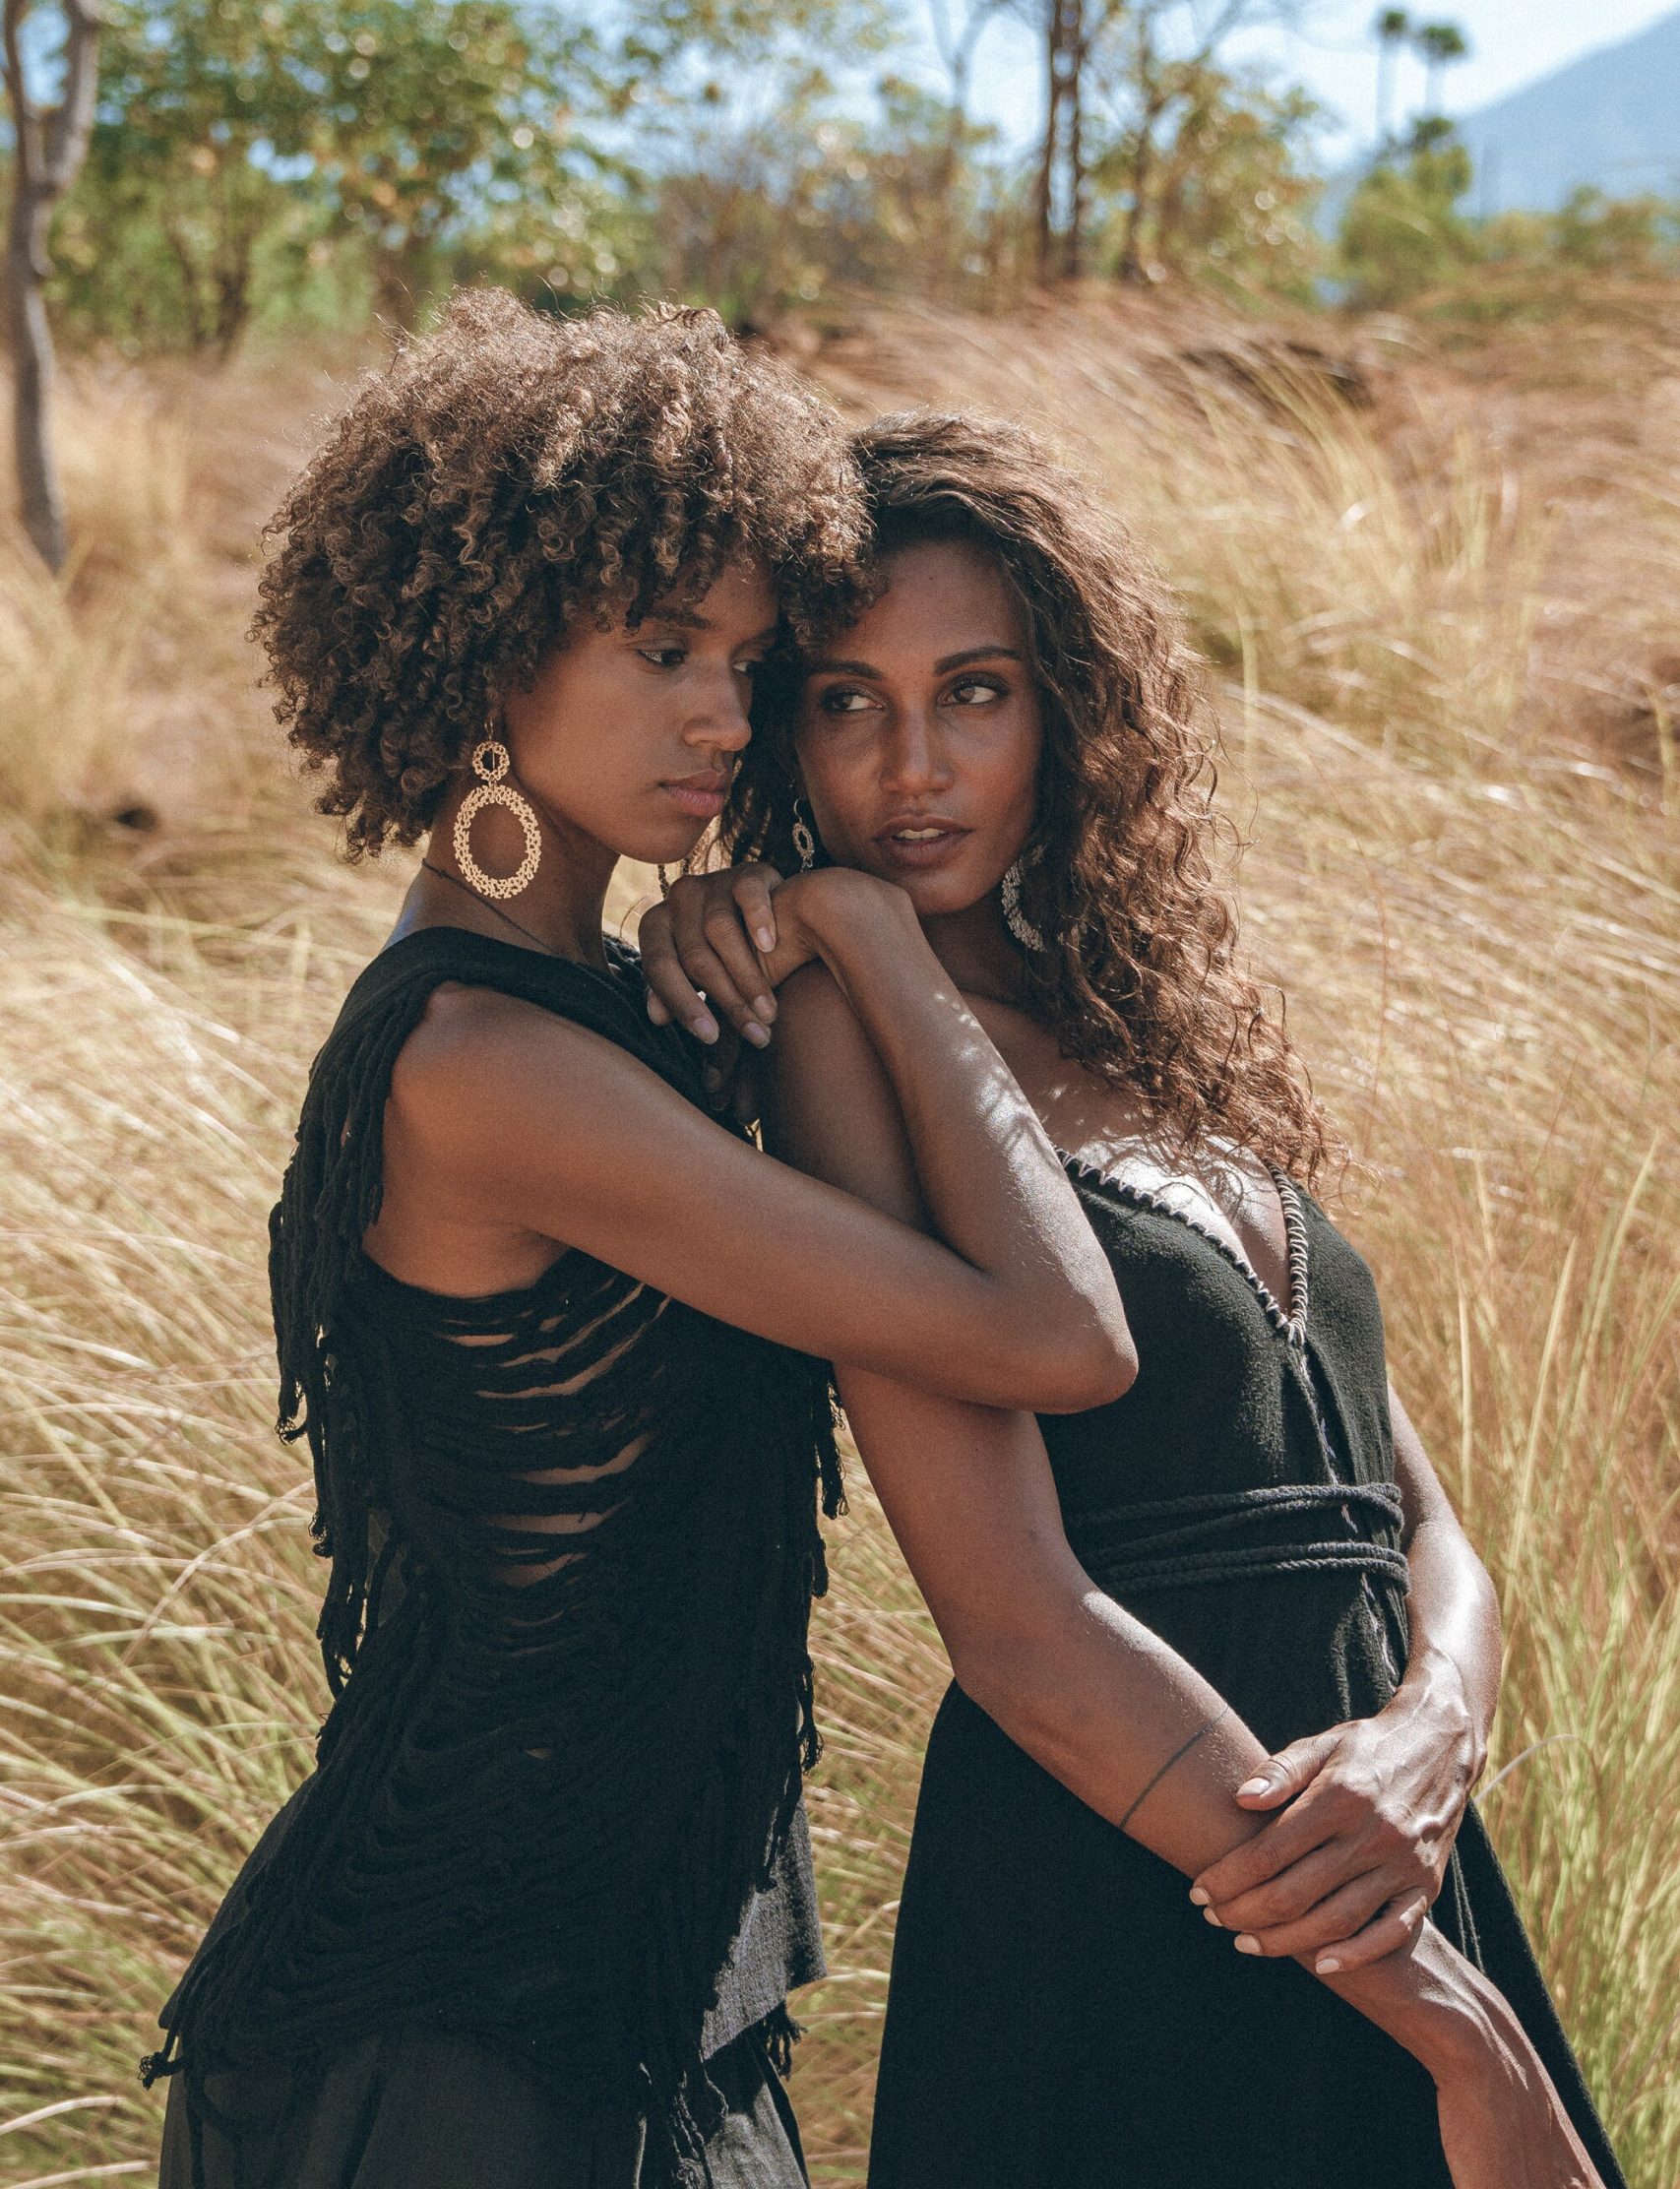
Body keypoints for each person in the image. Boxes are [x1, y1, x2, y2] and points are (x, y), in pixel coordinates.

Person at [143, 304, 1136, 2189]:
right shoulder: (487, 1066)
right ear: (481, 650)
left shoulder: (603, 1009)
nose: (726, 718)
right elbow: (1054, 1338)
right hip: (455, 2039)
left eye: (753, 664)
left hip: (639, 1999)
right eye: (662, 648)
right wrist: (872, 940)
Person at [639, 409, 1626, 2189]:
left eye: (976, 693)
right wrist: (1451, 2032)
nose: (913, 767)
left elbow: (1404, 1508)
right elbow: (1015, 1623)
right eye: (849, 702)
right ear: (786, 728)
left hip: (1384, 1857)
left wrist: (1435, 1729)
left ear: (1068, 710)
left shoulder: (1140, 1011)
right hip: (1145, 1902)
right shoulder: (836, 1037)